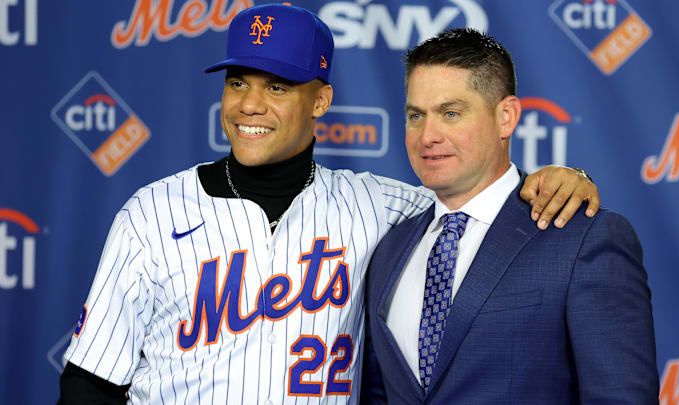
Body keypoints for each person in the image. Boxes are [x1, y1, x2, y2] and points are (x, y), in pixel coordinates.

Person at [57, 4, 601, 404]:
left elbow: (480, 196)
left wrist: (562, 178)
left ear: (320, 100)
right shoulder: (152, 212)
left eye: (277, 87)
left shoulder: (383, 208)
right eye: (238, 81)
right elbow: (90, 382)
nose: (249, 103)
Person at [361, 28, 659, 404]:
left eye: (450, 113)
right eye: (416, 115)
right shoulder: (389, 248)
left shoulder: (582, 238)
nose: (427, 136)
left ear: (506, 117)